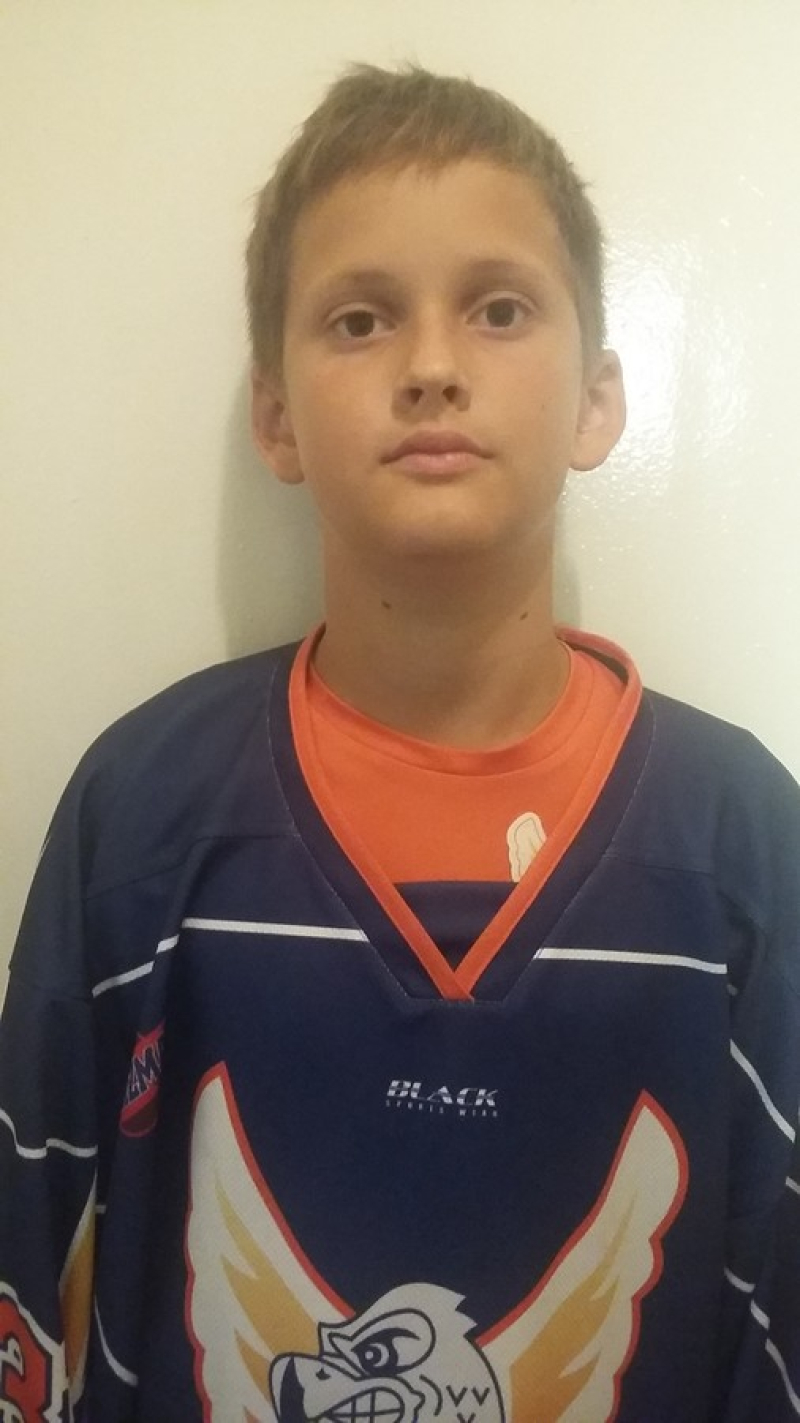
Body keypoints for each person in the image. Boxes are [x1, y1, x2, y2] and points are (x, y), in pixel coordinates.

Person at [1, 61, 798, 1423]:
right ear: (276, 415)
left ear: (599, 399)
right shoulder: (140, 812)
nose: (431, 367)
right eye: (361, 319)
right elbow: (34, 1267)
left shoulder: (742, 839)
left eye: (499, 308)